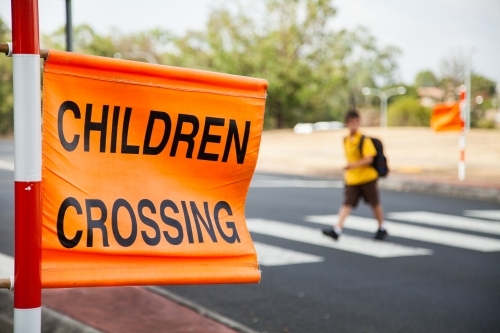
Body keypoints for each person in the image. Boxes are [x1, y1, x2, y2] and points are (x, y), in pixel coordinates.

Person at [322, 109, 388, 240]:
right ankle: (337, 229)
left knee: (374, 203)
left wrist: (352, 165)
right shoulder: (346, 139)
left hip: (367, 177)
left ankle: (382, 227)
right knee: (347, 203)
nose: (354, 125)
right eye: (351, 122)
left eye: (356, 122)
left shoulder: (364, 139)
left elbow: (369, 158)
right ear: (346, 123)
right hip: (352, 179)